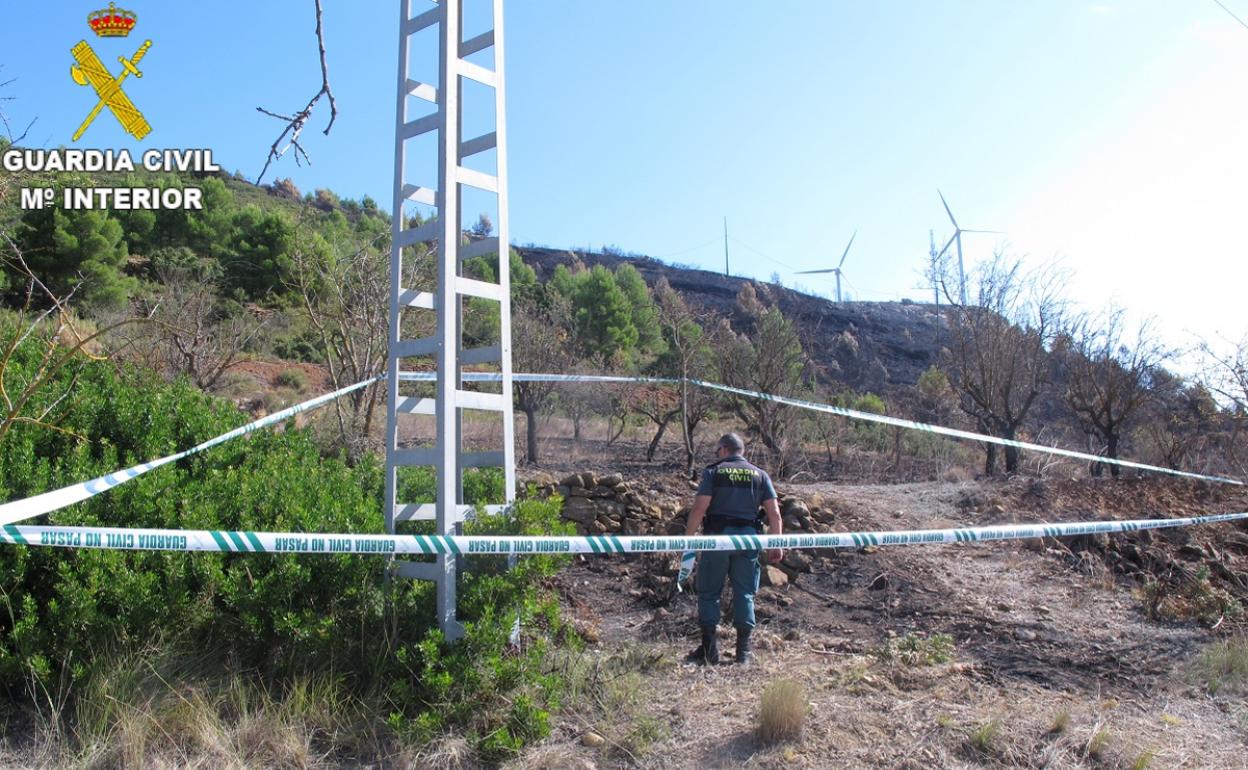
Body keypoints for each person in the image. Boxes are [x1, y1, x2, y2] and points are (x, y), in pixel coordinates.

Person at [684, 433, 782, 666]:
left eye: (718, 451)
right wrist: (776, 543)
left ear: (725, 449)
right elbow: (775, 514)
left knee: (708, 592)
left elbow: (699, 509)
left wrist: (687, 539)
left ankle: (710, 651)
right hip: (749, 540)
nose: (717, 455)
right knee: (745, 593)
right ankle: (743, 653)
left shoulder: (713, 472)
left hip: (717, 539)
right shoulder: (760, 475)